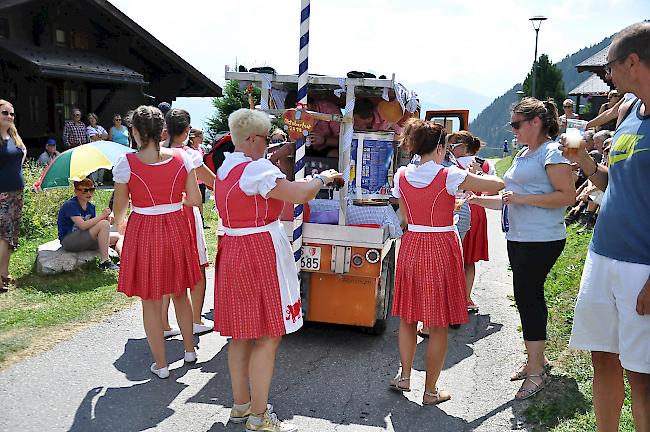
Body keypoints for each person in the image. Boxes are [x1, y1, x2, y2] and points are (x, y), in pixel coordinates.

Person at [214, 108, 342, 431]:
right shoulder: (256, 171)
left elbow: (267, 161)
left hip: (232, 248)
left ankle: (241, 406)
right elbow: (299, 194)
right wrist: (323, 177)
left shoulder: (227, 166)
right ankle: (259, 416)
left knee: (241, 334)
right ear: (254, 139)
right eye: (266, 139)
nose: (268, 144)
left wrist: (288, 145)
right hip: (259, 249)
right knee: (269, 335)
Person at [565, 22, 650, 432]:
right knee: (603, 356)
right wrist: (583, 161)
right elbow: (609, 182)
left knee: (642, 375)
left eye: (612, 66)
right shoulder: (631, 111)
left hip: (641, 267)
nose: (608, 75)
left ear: (633, 62)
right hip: (603, 254)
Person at [388, 119, 504, 405]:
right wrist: (474, 172)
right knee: (437, 324)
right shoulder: (449, 174)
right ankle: (430, 391)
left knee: (407, 317)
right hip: (441, 244)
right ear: (440, 148)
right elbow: (496, 184)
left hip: (412, 242)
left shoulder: (401, 174)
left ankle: (404, 377)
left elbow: (404, 216)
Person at [472, 97, 575, 400]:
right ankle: (536, 359)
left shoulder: (551, 152)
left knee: (528, 298)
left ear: (536, 123)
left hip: (542, 238)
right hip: (520, 236)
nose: (512, 129)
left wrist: (522, 200)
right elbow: (508, 196)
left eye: (517, 124)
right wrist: (476, 200)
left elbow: (567, 196)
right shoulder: (522, 153)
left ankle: (535, 373)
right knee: (526, 297)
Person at [112, 105, 201, 379]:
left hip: (145, 228)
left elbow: (119, 210)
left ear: (135, 132)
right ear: (162, 130)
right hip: (175, 225)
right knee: (180, 291)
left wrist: (121, 221)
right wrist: (173, 204)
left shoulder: (127, 163)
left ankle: (161, 365)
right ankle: (189, 351)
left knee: (150, 299)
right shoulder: (182, 158)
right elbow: (196, 200)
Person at [162, 108, 216, 336]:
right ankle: (195, 319)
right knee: (198, 266)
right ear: (186, 132)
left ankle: (163, 323)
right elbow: (211, 181)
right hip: (185, 213)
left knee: (165, 268)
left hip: (160, 216)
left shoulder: (154, 152)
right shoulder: (189, 154)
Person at [448, 131, 491, 312]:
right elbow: (490, 189)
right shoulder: (484, 164)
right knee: (469, 259)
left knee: (452, 258)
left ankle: (450, 299)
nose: (448, 150)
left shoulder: (450, 164)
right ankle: (465, 298)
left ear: (463, 147)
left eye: (451, 146)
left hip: (459, 210)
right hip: (478, 209)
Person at [57, 178, 121, 270]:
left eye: (92, 190)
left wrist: (105, 218)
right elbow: (82, 225)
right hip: (69, 241)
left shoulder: (91, 207)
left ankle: (124, 261)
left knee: (119, 236)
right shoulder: (70, 205)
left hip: (84, 240)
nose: (89, 193)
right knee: (103, 224)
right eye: (85, 190)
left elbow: (93, 227)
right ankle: (104, 261)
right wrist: (101, 217)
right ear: (76, 191)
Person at [0, 99, 26, 291]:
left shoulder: (14, 136)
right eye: (5, 113)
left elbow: (21, 156)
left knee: (11, 235)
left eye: (11, 113)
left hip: (17, 192)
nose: (9, 117)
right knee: (2, 235)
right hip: (2, 194)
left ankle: (4, 271)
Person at [87, 113, 109, 185]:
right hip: (93, 149)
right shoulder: (88, 128)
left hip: (102, 149)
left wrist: (99, 135)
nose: (92, 120)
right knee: (94, 165)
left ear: (96, 119)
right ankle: (94, 181)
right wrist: (101, 136)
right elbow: (93, 138)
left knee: (102, 165)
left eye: (93, 118)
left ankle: (100, 181)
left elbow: (107, 136)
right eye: (90, 118)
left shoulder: (100, 127)